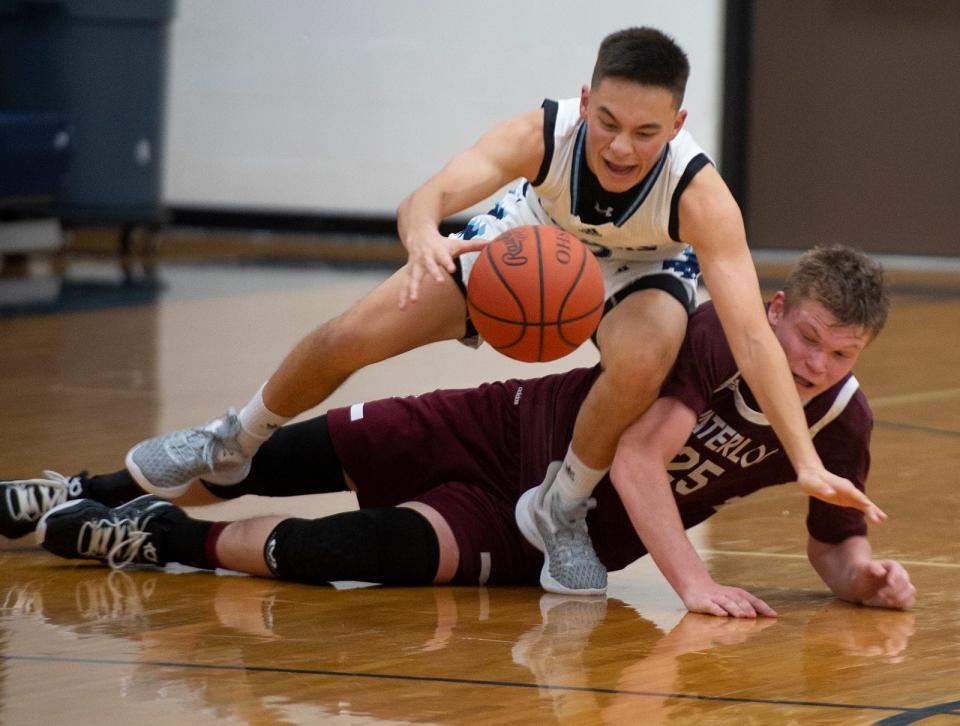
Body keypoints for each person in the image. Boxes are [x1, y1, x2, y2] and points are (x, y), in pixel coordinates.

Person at [116, 28, 875, 595]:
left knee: (649, 355)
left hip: (634, 272)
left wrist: (806, 462)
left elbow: (749, 333)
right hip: (525, 245)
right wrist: (423, 243)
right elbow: (430, 198)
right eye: (608, 121)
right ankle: (234, 439)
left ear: (675, 128)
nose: (620, 145)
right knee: (354, 333)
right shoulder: (540, 135)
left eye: (646, 132)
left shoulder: (700, 195)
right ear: (586, 103)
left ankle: (564, 505)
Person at [11, 245, 913, 613]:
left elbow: (830, 545)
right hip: (494, 426)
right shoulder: (716, 334)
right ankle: (85, 489)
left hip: (540, 528)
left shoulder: (843, 422)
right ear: (777, 310)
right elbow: (640, 462)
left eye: (841, 354)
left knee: (355, 549)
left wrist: (859, 579)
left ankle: (156, 536)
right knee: (278, 457)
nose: (815, 366)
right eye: (806, 341)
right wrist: (694, 588)